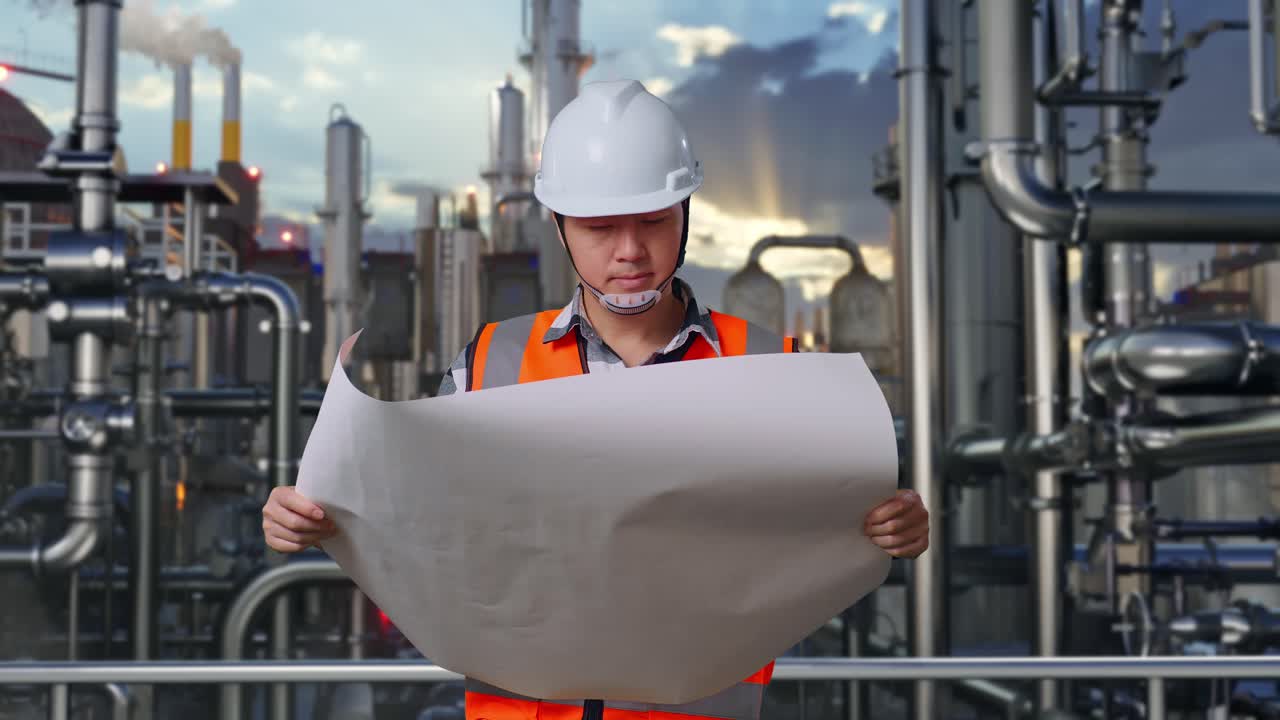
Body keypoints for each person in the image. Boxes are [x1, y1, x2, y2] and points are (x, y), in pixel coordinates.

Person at [263, 79, 930, 720]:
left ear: (686, 213)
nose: (631, 251)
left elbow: (830, 525)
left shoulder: (769, 368)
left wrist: (889, 529)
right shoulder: (489, 365)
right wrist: (322, 522)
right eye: (600, 227)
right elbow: (422, 526)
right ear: (559, 226)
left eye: (652, 220)